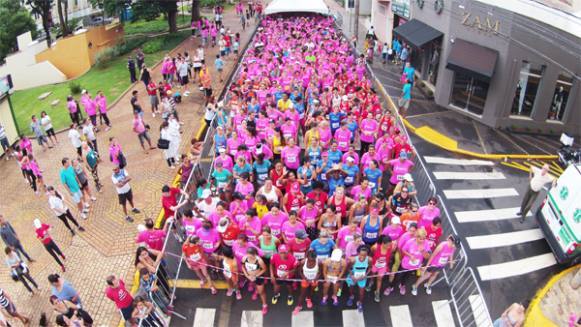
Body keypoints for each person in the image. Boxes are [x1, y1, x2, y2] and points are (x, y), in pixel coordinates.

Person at [292, 249, 321, 315]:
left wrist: (316, 278)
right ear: (307, 257)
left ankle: (308, 299)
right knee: (302, 294)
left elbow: (320, 272)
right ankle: (299, 306)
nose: (311, 262)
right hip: (305, 280)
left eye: (313, 260)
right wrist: (304, 278)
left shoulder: (318, 262)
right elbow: (300, 271)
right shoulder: (303, 262)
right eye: (310, 260)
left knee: (311, 291)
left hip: (314, 280)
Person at [241, 247, 268, 315]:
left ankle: (264, 305)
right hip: (250, 277)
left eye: (251, 257)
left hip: (258, 278)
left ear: (255, 255)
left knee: (261, 292)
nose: (249, 258)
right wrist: (247, 275)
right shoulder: (245, 258)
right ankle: (256, 291)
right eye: (248, 256)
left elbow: (264, 269)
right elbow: (243, 267)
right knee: (254, 285)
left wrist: (256, 276)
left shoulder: (259, 261)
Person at [345, 245, 371, 312]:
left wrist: (366, 274)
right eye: (361, 255)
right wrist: (352, 276)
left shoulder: (369, 259)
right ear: (358, 253)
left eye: (364, 255)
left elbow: (370, 268)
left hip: (362, 277)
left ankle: (360, 303)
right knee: (351, 288)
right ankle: (351, 296)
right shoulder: (353, 260)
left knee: (362, 292)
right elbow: (348, 268)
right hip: (353, 276)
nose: (362, 257)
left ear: (367, 255)